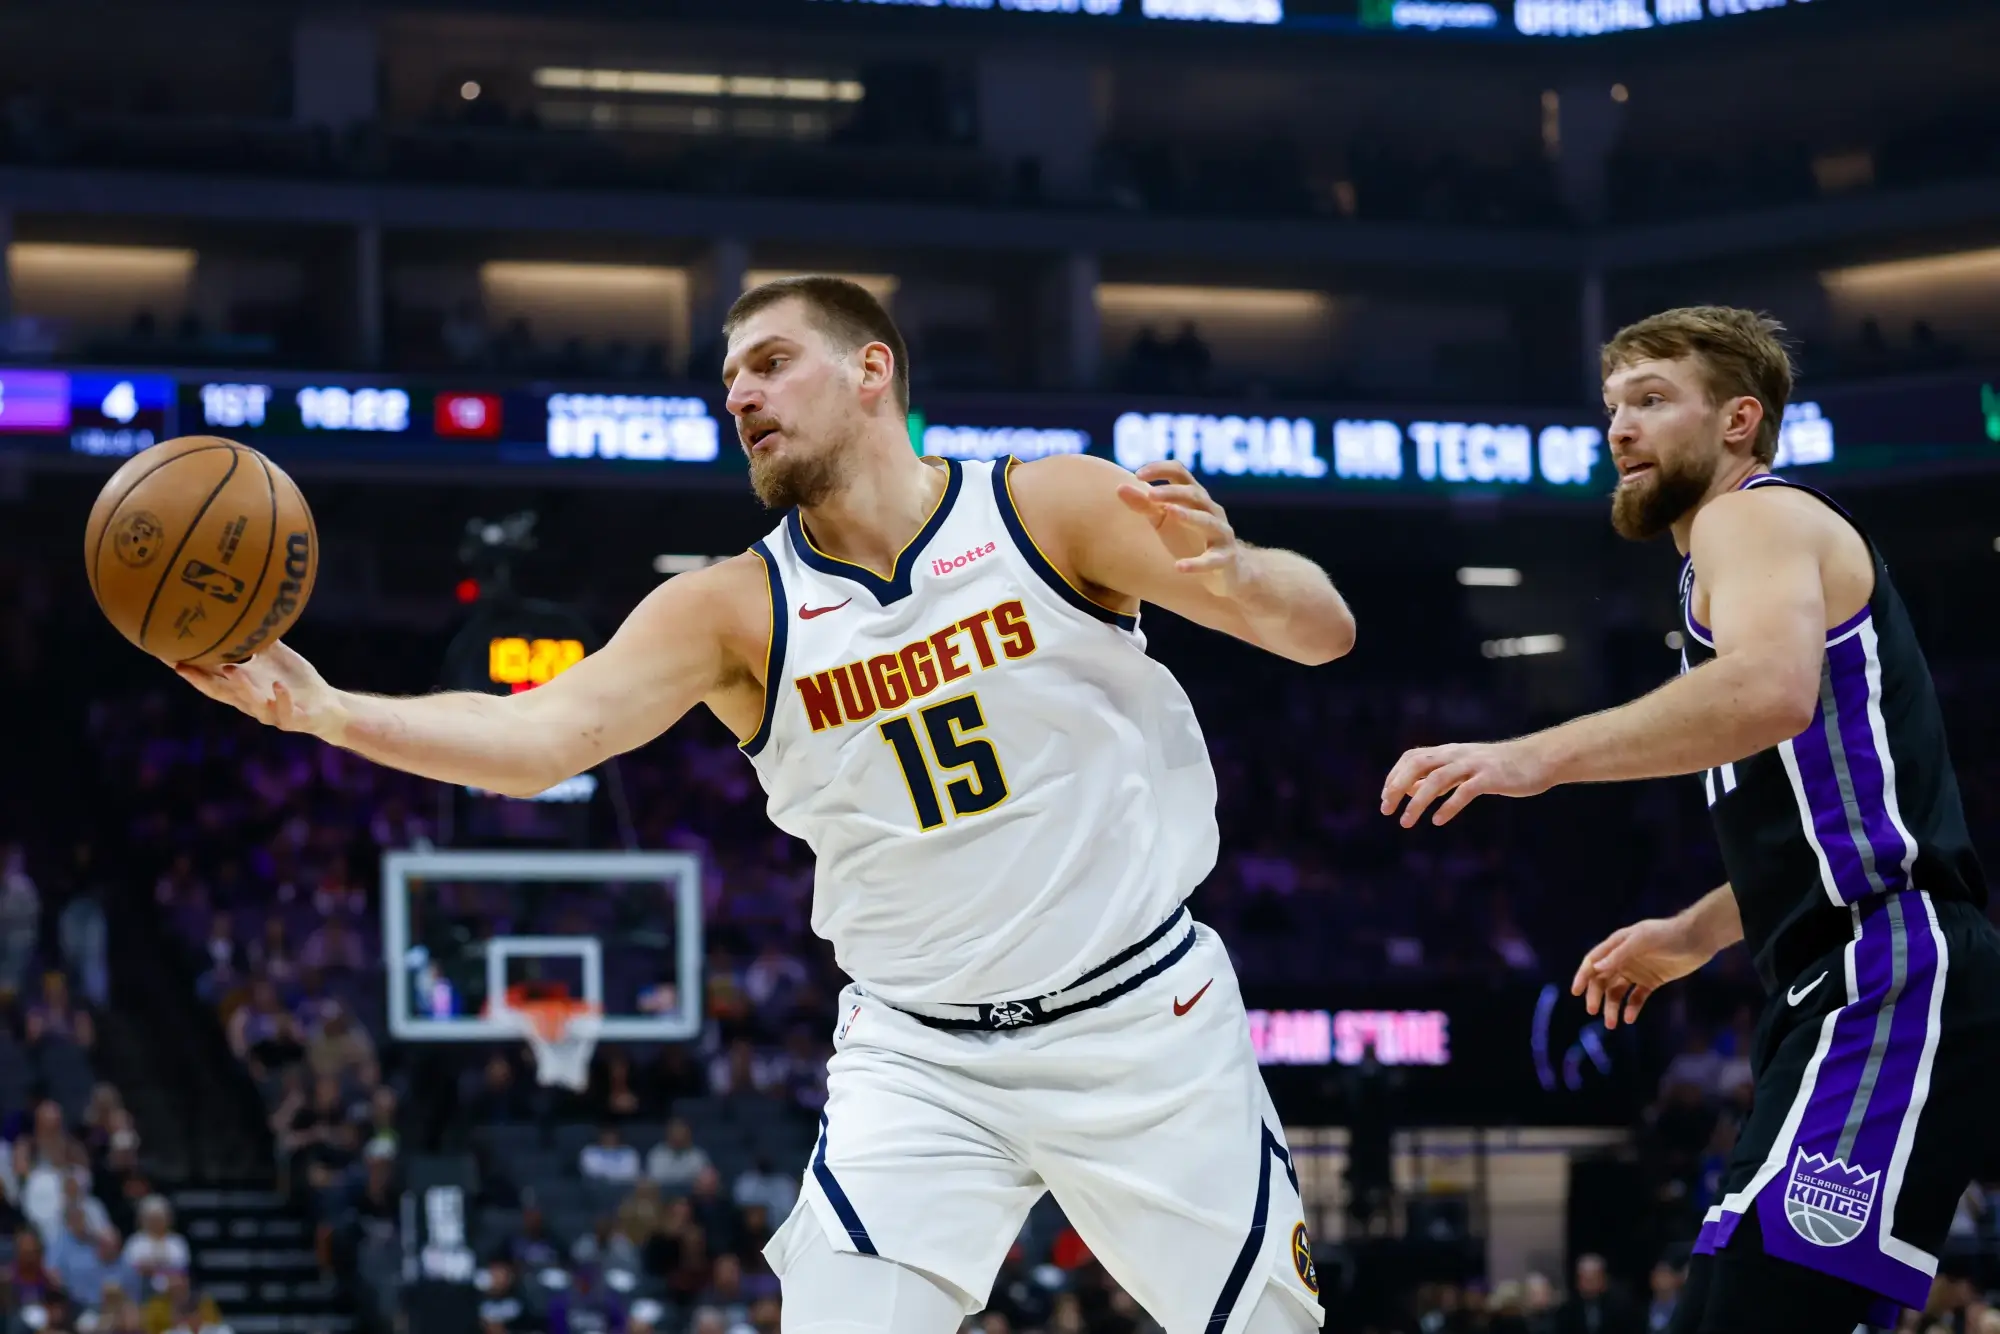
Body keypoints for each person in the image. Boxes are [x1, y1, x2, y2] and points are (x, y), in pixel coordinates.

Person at [174, 275, 1353, 1334]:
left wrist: (1241, 571)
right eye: (728, 377)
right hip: (922, 1055)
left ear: (871, 369)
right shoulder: (732, 607)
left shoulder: (1046, 508)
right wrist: (324, 710)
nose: (738, 392)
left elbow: (1319, 630)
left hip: (1137, 1016)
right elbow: (536, 739)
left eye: (770, 361)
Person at [1381, 307, 1998, 1334]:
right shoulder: (1726, 560)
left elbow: (1769, 692)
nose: (1618, 427)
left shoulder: (1747, 517)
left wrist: (1533, 756)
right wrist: (1695, 930)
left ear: (1737, 421)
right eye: (1613, 405)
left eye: (1652, 400)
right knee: (1734, 1304)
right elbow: (1830, 812)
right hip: (1835, 972)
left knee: (1753, 1312)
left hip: (1888, 967)